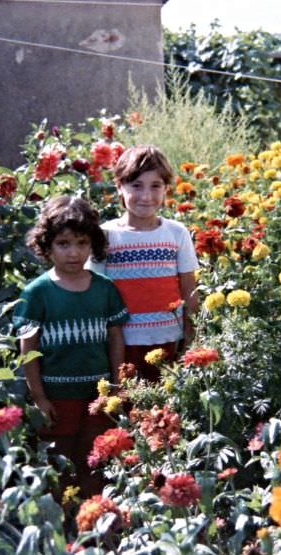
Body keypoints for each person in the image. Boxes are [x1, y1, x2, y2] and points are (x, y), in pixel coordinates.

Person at [13, 195, 128, 496]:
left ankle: (98, 518)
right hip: (56, 397)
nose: (74, 253)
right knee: (58, 460)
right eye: (64, 244)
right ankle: (61, 523)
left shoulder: (105, 289)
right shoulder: (36, 293)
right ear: (47, 246)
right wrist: (38, 397)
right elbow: (28, 348)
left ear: (93, 245)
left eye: (82, 243)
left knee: (95, 459)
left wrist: (117, 383)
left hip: (97, 395)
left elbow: (116, 336)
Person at [90, 145, 199, 380]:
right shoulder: (105, 236)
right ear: (119, 186)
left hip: (170, 340)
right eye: (136, 185)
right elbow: (94, 293)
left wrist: (190, 342)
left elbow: (189, 290)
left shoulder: (176, 233)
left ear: (166, 189)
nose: (146, 196)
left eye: (155, 186)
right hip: (121, 345)